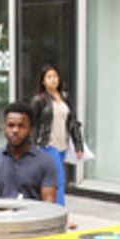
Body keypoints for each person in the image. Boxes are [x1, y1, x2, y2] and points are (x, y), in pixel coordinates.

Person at [29, 64, 85, 205]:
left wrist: (79, 145)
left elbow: (73, 122)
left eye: (55, 76)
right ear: (43, 81)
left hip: (62, 145)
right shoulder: (39, 100)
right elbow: (29, 123)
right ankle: (61, 214)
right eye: (49, 77)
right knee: (59, 179)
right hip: (47, 145)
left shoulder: (64, 97)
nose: (53, 80)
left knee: (50, 181)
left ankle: (46, 208)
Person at [0, 102, 57, 203]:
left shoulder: (45, 161)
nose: (15, 130)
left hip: (35, 216)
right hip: (4, 216)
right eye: (10, 125)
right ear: (4, 128)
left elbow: (49, 202)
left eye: (21, 126)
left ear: (30, 130)